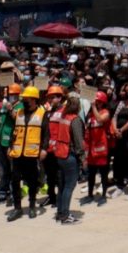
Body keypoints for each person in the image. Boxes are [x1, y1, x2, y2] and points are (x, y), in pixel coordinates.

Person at [7, 85, 46, 221]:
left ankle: (32, 206)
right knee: (15, 180)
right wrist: (9, 146)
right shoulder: (19, 113)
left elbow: (46, 134)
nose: (25, 100)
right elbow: (14, 130)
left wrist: (44, 149)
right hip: (17, 153)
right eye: (24, 98)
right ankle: (17, 208)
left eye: (28, 99)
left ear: (34, 100)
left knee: (32, 181)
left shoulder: (42, 113)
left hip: (32, 153)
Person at [49, 95, 85, 224]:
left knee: (63, 186)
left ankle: (60, 213)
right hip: (70, 155)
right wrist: (83, 159)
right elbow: (79, 142)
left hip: (60, 154)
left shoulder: (63, 117)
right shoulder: (75, 120)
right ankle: (65, 215)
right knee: (69, 186)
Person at [82, 90, 111, 204]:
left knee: (103, 174)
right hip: (91, 150)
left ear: (103, 102)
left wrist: (93, 106)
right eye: (95, 102)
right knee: (91, 174)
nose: (96, 103)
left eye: (99, 102)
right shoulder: (90, 115)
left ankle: (103, 195)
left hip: (102, 149)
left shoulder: (105, 112)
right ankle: (90, 195)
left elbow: (100, 119)